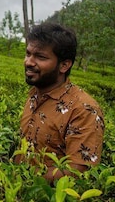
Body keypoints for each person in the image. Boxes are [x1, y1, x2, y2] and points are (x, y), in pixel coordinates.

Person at [15, 22, 105, 182]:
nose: (29, 62)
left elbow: (78, 172)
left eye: (40, 57)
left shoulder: (83, 109)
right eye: (28, 54)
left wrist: (26, 179)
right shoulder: (34, 95)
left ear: (64, 65)